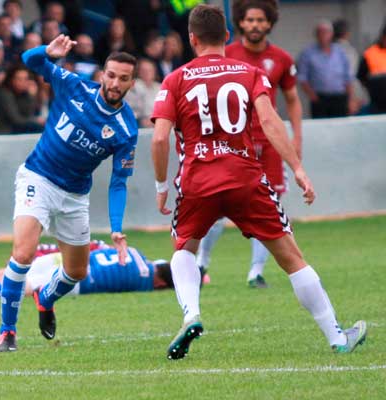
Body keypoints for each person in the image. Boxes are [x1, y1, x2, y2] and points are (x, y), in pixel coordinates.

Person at [150, 5, 366, 359]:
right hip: (245, 177)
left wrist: (162, 187)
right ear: (227, 36)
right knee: (291, 258)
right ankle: (337, 338)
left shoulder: (175, 79)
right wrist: (296, 167)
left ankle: (192, 314)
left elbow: (159, 139)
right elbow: (269, 121)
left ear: (192, 39)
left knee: (184, 248)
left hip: (197, 181)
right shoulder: (249, 73)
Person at [0, 34, 138, 352]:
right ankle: (7, 332)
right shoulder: (74, 86)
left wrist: (116, 228)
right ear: (103, 73)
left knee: (76, 271)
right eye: (111, 75)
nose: (115, 83)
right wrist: (47, 51)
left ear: (131, 82)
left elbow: (118, 182)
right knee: (23, 253)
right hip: (38, 177)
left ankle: (45, 299)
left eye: (123, 79)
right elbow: (28, 62)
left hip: (74, 196)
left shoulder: (127, 129)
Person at [196, 0, 304, 288]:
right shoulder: (227, 55)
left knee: (269, 207)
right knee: (216, 207)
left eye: (261, 20)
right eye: (250, 20)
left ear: (269, 23)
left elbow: (292, 100)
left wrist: (296, 137)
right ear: (240, 23)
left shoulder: (281, 59)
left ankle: (255, 272)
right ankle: (201, 263)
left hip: (268, 143)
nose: (255, 25)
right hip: (232, 143)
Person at [0, 243, 174, 301]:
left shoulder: (133, 251)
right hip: (74, 277)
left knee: (15, 276)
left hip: (61, 257)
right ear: (161, 284)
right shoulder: (145, 283)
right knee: (15, 292)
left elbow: (163, 263)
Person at [297, 20, 354, 118]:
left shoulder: (340, 51)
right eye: (320, 32)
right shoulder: (308, 53)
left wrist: (350, 98)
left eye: (326, 32)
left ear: (331, 34)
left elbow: (348, 76)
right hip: (320, 98)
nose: (323, 35)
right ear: (316, 35)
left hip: (339, 96)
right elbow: (302, 77)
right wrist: (312, 95)